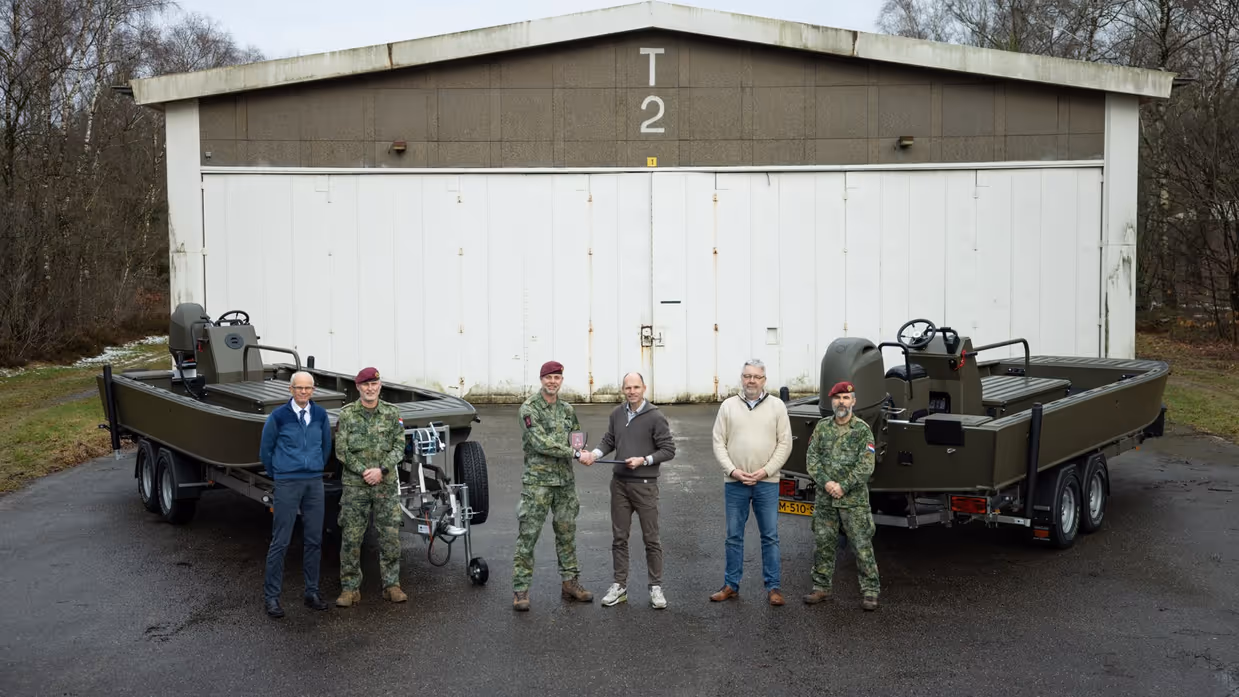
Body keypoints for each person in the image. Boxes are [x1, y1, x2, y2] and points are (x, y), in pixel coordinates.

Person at [587, 372, 676, 609]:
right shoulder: (617, 413)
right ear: (623, 389)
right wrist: (594, 455)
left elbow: (668, 449)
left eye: (636, 387)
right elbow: (609, 440)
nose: (632, 391)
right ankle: (619, 586)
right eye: (628, 387)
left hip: (645, 486)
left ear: (644, 388)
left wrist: (644, 460)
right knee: (619, 538)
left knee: (651, 539)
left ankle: (655, 587)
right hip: (620, 485)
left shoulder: (655, 416)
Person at [512, 360, 594, 611]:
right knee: (528, 536)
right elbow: (539, 442)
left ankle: (570, 582)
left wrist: (582, 451)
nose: (553, 382)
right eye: (548, 378)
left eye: (557, 378)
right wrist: (575, 453)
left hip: (565, 483)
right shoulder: (529, 409)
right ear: (541, 380)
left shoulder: (567, 410)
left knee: (567, 534)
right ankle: (520, 589)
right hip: (538, 483)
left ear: (561, 380)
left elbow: (576, 436)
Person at [709, 359, 793, 606]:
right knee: (733, 536)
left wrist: (766, 471)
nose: (751, 381)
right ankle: (731, 585)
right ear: (742, 378)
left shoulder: (777, 407)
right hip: (735, 482)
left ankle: (774, 587)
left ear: (764, 380)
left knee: (770, 536)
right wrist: (733, 471)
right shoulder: (728, 406)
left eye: (756, 376)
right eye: (747, 376)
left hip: (767, 482)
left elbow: (785, 443)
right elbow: (718, 442)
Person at [258, 371, 333, 618]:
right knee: (280, 541)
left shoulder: (321, 415)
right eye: (299, 388)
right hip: (288, 483)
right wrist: (281, 472)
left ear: (313, 390)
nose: (303, 392)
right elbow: (266, 451)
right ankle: (272, 598)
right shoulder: (278, 417)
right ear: (290, 389)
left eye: (308, 388)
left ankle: (311, 592)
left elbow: (325, 447)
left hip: (313, 483)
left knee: (314, 540)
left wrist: (314, 467)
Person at [333, 366, 408, 608]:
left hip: (385, 484)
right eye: (365, 384)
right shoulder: (346, 415)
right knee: (351, 537)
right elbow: (341, 450)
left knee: (390, 536)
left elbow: (399, 447)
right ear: (358, 387)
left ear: (380, 386)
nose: (370, 388)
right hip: (356, 485)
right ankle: (350, 588)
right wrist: (364, 471)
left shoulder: (392, 413)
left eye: (374, 384)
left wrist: (381, 470)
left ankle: (392, 585)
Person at [803, 381, 880, 611]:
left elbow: (866, 466)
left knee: (862, 545)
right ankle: (821, 587)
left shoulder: (862, 430)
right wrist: (827, 484)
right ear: (831, 402)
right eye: (837, 398)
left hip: (853, 501)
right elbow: (812, 459)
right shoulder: (822, 428)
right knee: (823, 544)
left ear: (853, 401)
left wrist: (843, 486)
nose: (841, 402)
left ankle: (870, 591)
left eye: (846, 398)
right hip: (826, 499)